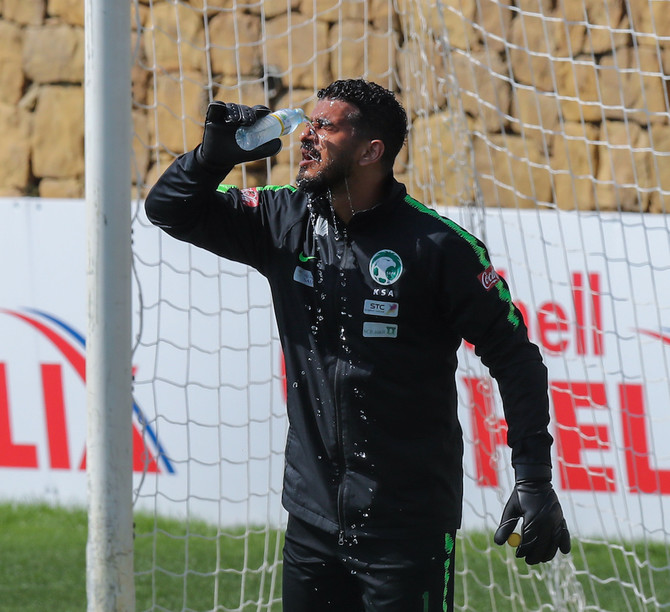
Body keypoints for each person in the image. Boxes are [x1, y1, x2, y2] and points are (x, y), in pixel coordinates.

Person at [145, 78, 570, 611]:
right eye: (309, 122)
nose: (306, 135)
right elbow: (168, 209)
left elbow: (514, 356)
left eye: (325, 127)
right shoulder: (284, 218)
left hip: (407, 527)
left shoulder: (438, 247)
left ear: (372, 151)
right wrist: (209, 159)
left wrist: (533, 476)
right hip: (312, 521)